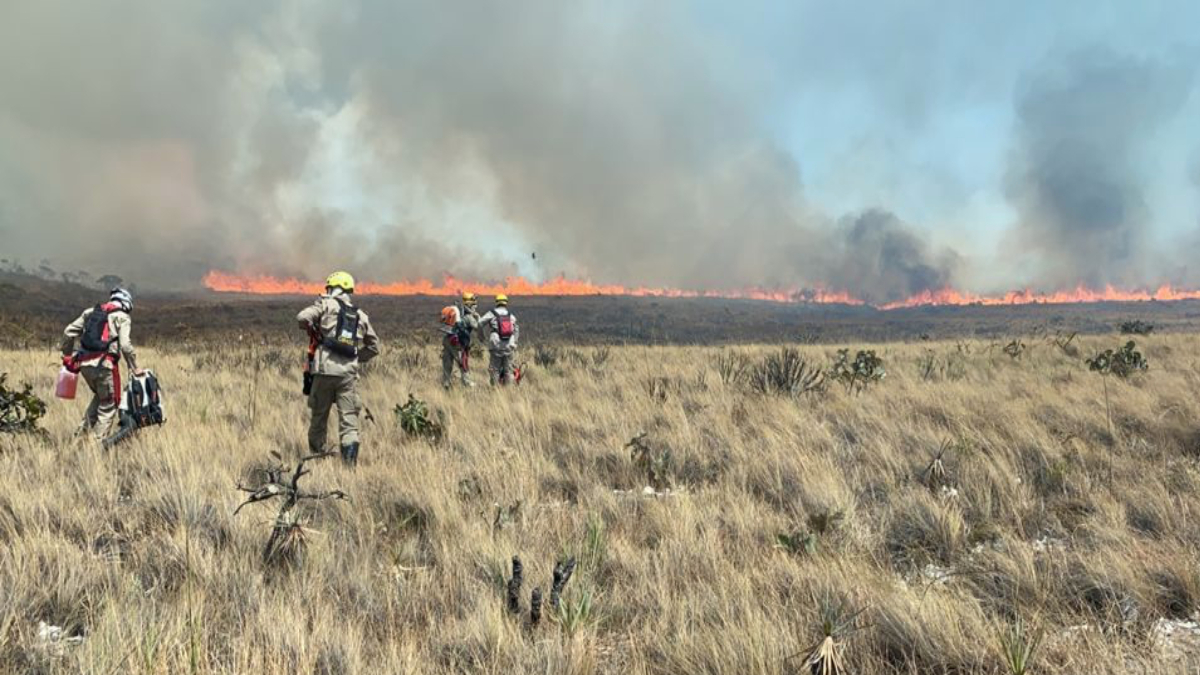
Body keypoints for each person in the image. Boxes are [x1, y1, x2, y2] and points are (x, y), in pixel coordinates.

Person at [296, 271, 379, 465]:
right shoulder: (360, 315)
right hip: (348, 375)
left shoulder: (325, 305)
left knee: (319, 419)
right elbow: (375, 347)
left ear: (331, 287)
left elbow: (301, 317)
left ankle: (317, 460)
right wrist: (356, 358)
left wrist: (314, 328)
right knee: (349, 422)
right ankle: (349, 467)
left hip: (324, 371)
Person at [60, 287, 142, 441]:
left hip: (84, 365)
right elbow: (125, 345)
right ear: (126, 303)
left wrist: (67, 355)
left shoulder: (90, 312)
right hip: (105, 366)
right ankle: (97, 448)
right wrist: (134, 367)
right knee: (108, 405)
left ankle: (78, 440)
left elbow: (68, 332)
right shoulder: (122, 317)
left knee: (101, 398)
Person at [441, 291, 480, 389]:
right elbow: (478, 327)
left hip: (447, 339)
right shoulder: (469, 317)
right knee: (463, 363)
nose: (475, 304)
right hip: (457, 344)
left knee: (447, 363)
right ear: (470, 303)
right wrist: (478, 317)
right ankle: (467, 383)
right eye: (474, 301)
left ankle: (446, 383)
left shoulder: (458, 311)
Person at [478, 294, 520, 385]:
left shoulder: (492, 313)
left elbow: (480, 323)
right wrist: (515, 342)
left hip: (496, 344)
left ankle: (495, 392)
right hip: (509, 345)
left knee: (495, 370)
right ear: (506, 303)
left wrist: (481, 337)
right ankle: (508, 392)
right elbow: (516, 329)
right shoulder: (511, 316)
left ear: (497, 302)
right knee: (508, 370)